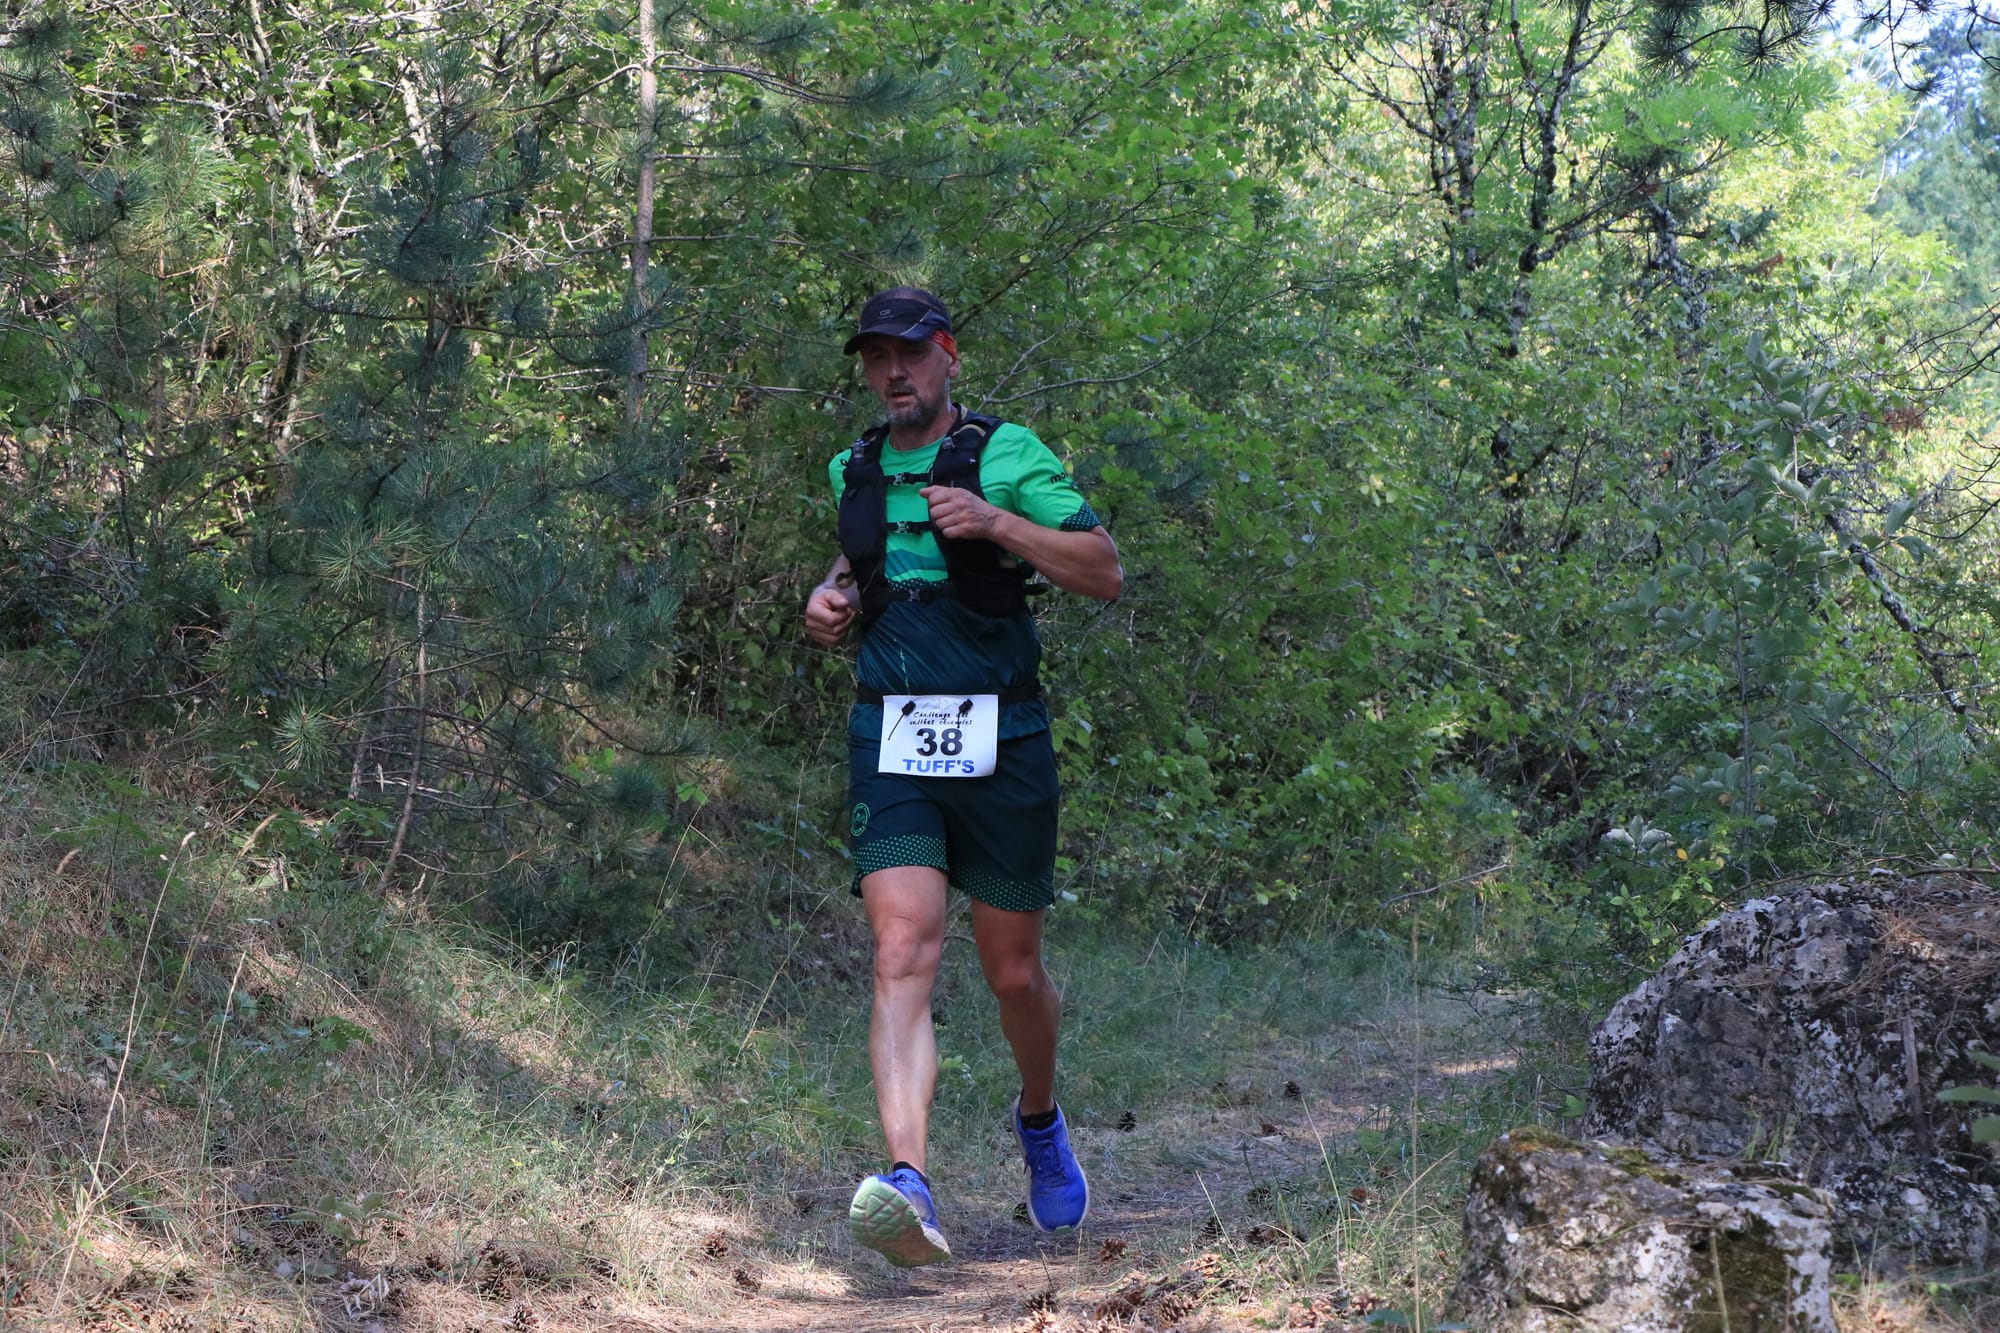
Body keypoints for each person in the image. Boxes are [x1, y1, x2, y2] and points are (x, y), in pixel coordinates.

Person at [804, 287, 1123, 1268]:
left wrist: (996, 523)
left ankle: (1039, 1118)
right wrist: (828, 599)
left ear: (947, 356)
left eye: (909, 353)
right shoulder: (855, 467)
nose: (892, 372)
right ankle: (909, 1181)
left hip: (1003, 736)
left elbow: (1102, 569)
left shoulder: (1007, 454)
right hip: (891, 737)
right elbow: (863, 565)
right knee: (901, 949)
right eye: (876, 357)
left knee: (1012, 972)